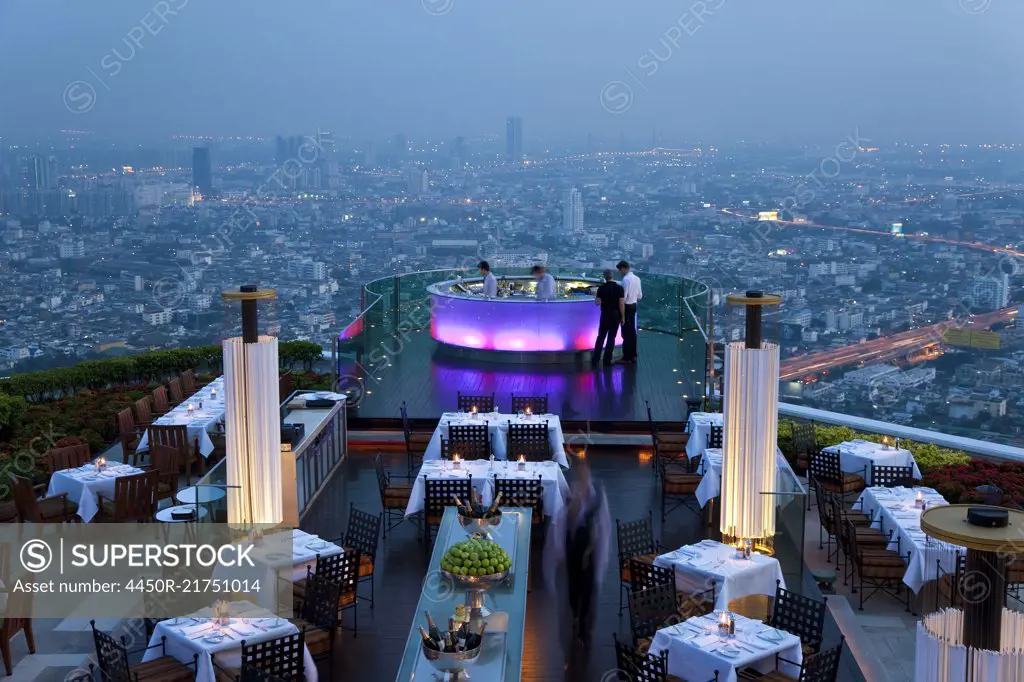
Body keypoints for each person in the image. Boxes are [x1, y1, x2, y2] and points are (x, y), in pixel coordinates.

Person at [544, 459, 610, 658]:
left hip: (590, 552)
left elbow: (604, 524)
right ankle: (574, 615)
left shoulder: (597, 494)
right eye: (579, 472)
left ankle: (583, 629)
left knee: (588, 591)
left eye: (585, 472)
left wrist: (601, 553)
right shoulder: (569, 493)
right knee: (574, 588)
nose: (582, 476)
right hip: (573, 549)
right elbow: (561, 521)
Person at [592, 269, 624, 368]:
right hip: (615, 315)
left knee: (601, 337)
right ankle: (607, 360)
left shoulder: (601, 288)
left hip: (605, 315)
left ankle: (595, 359)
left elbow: (597, 303)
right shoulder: (619, 288)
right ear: (612, 276)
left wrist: (596, 296)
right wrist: (622, 317)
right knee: (611, 338)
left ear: (604, 277)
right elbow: (621, 304)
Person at [616, 260, 642, 363]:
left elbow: (623, 298)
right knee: (632, 332)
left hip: (626, 308)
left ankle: (626, 357)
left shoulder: (625, 280)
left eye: (620, 270)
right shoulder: (637, 278)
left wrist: (621, 314)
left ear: (623, 269)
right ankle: (633, 355)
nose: (620, 272)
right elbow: (640, 296)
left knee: (625, 333)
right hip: (634, 306)